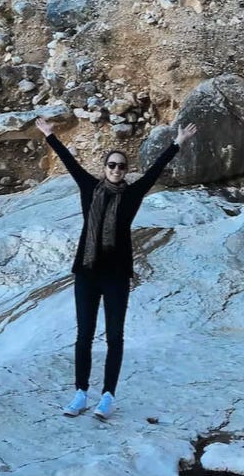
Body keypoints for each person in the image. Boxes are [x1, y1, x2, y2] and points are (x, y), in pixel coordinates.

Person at [35, 115, 198, 420]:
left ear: (126, 171)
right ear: (104, 169)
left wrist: (177, 142)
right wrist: (50, 135)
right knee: (84, 336)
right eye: (112, 165)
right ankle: (81, 393)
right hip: (86, 273)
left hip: (116, 277)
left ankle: (107, 396)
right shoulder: (89, 188)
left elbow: (155, 171)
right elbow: (69, 161)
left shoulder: (132, 194)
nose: (116, 170)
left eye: (122, 166)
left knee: (114, 337)